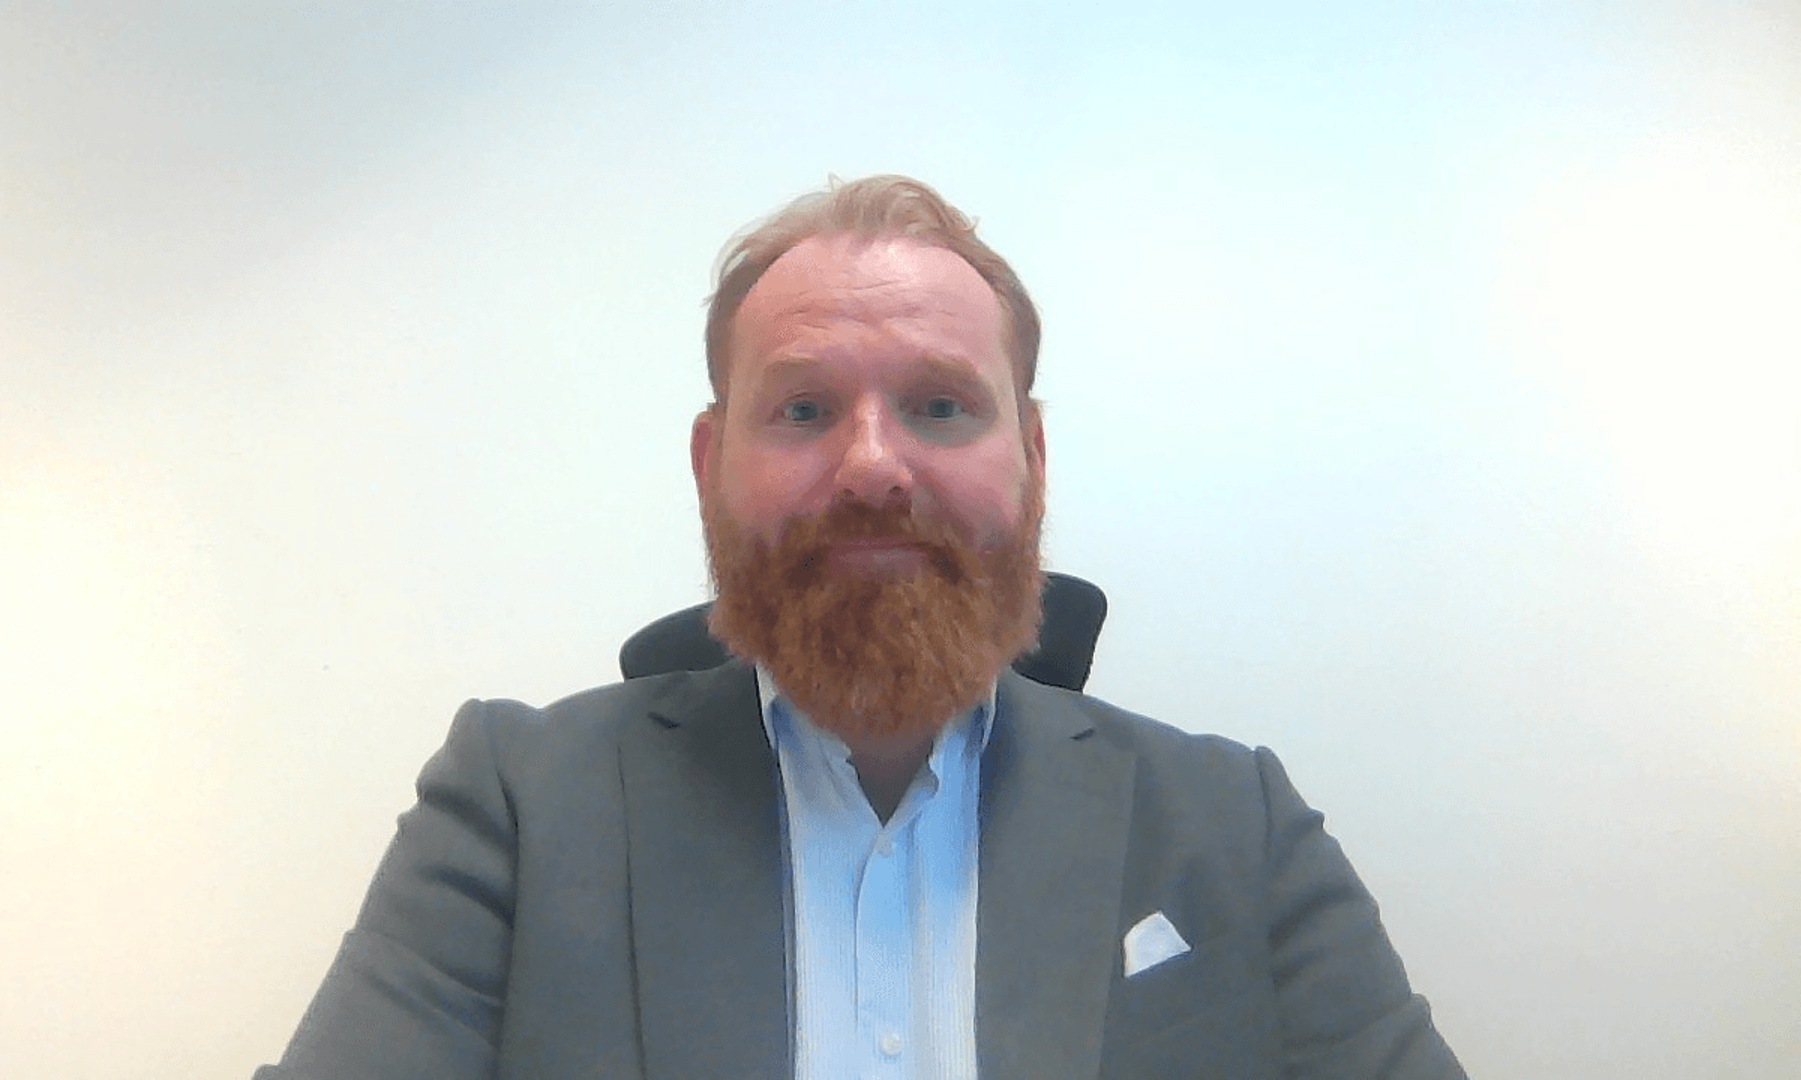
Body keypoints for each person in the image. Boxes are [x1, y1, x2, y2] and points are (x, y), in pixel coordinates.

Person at [255, 176, 1466, 1079]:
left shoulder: (1236, 825)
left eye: (939, 405)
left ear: (1034, 459)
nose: (874, 466)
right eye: (803, 409)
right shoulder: (518, 806)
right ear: (709, 466)